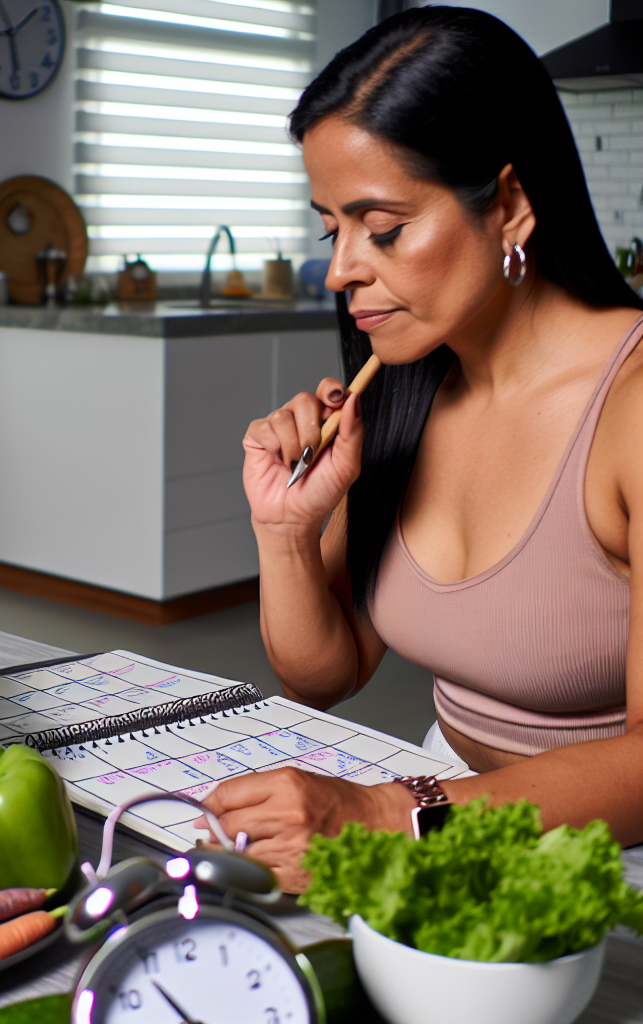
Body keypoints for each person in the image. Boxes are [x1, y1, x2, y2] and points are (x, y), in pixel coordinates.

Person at [195, 6, 642, 894]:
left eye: (383, 229)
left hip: (608, 849)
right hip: (445, 804)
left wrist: (385, 815)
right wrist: (286, 530)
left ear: (509, 205)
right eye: (333, 230)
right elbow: (327, 671)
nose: (340, 271)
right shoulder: (405, 382)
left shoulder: (629, 409)